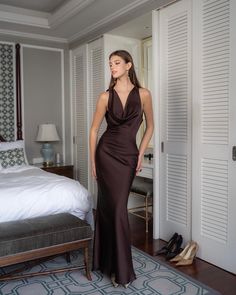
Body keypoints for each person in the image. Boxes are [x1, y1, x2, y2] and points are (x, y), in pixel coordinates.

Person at [90, 49, 154, 288]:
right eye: (110, 64)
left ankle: (111, 263)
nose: (112, 67)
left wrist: (140, 154)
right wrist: (94, 162)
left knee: (116, 209)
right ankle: (117, 268)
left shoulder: (145, 94)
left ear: (129, 65)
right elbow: (94, 130)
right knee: (112, 210)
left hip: (128, 157)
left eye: (116, 63)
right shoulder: (105, 97)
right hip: (106, 155)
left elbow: (150, 127)